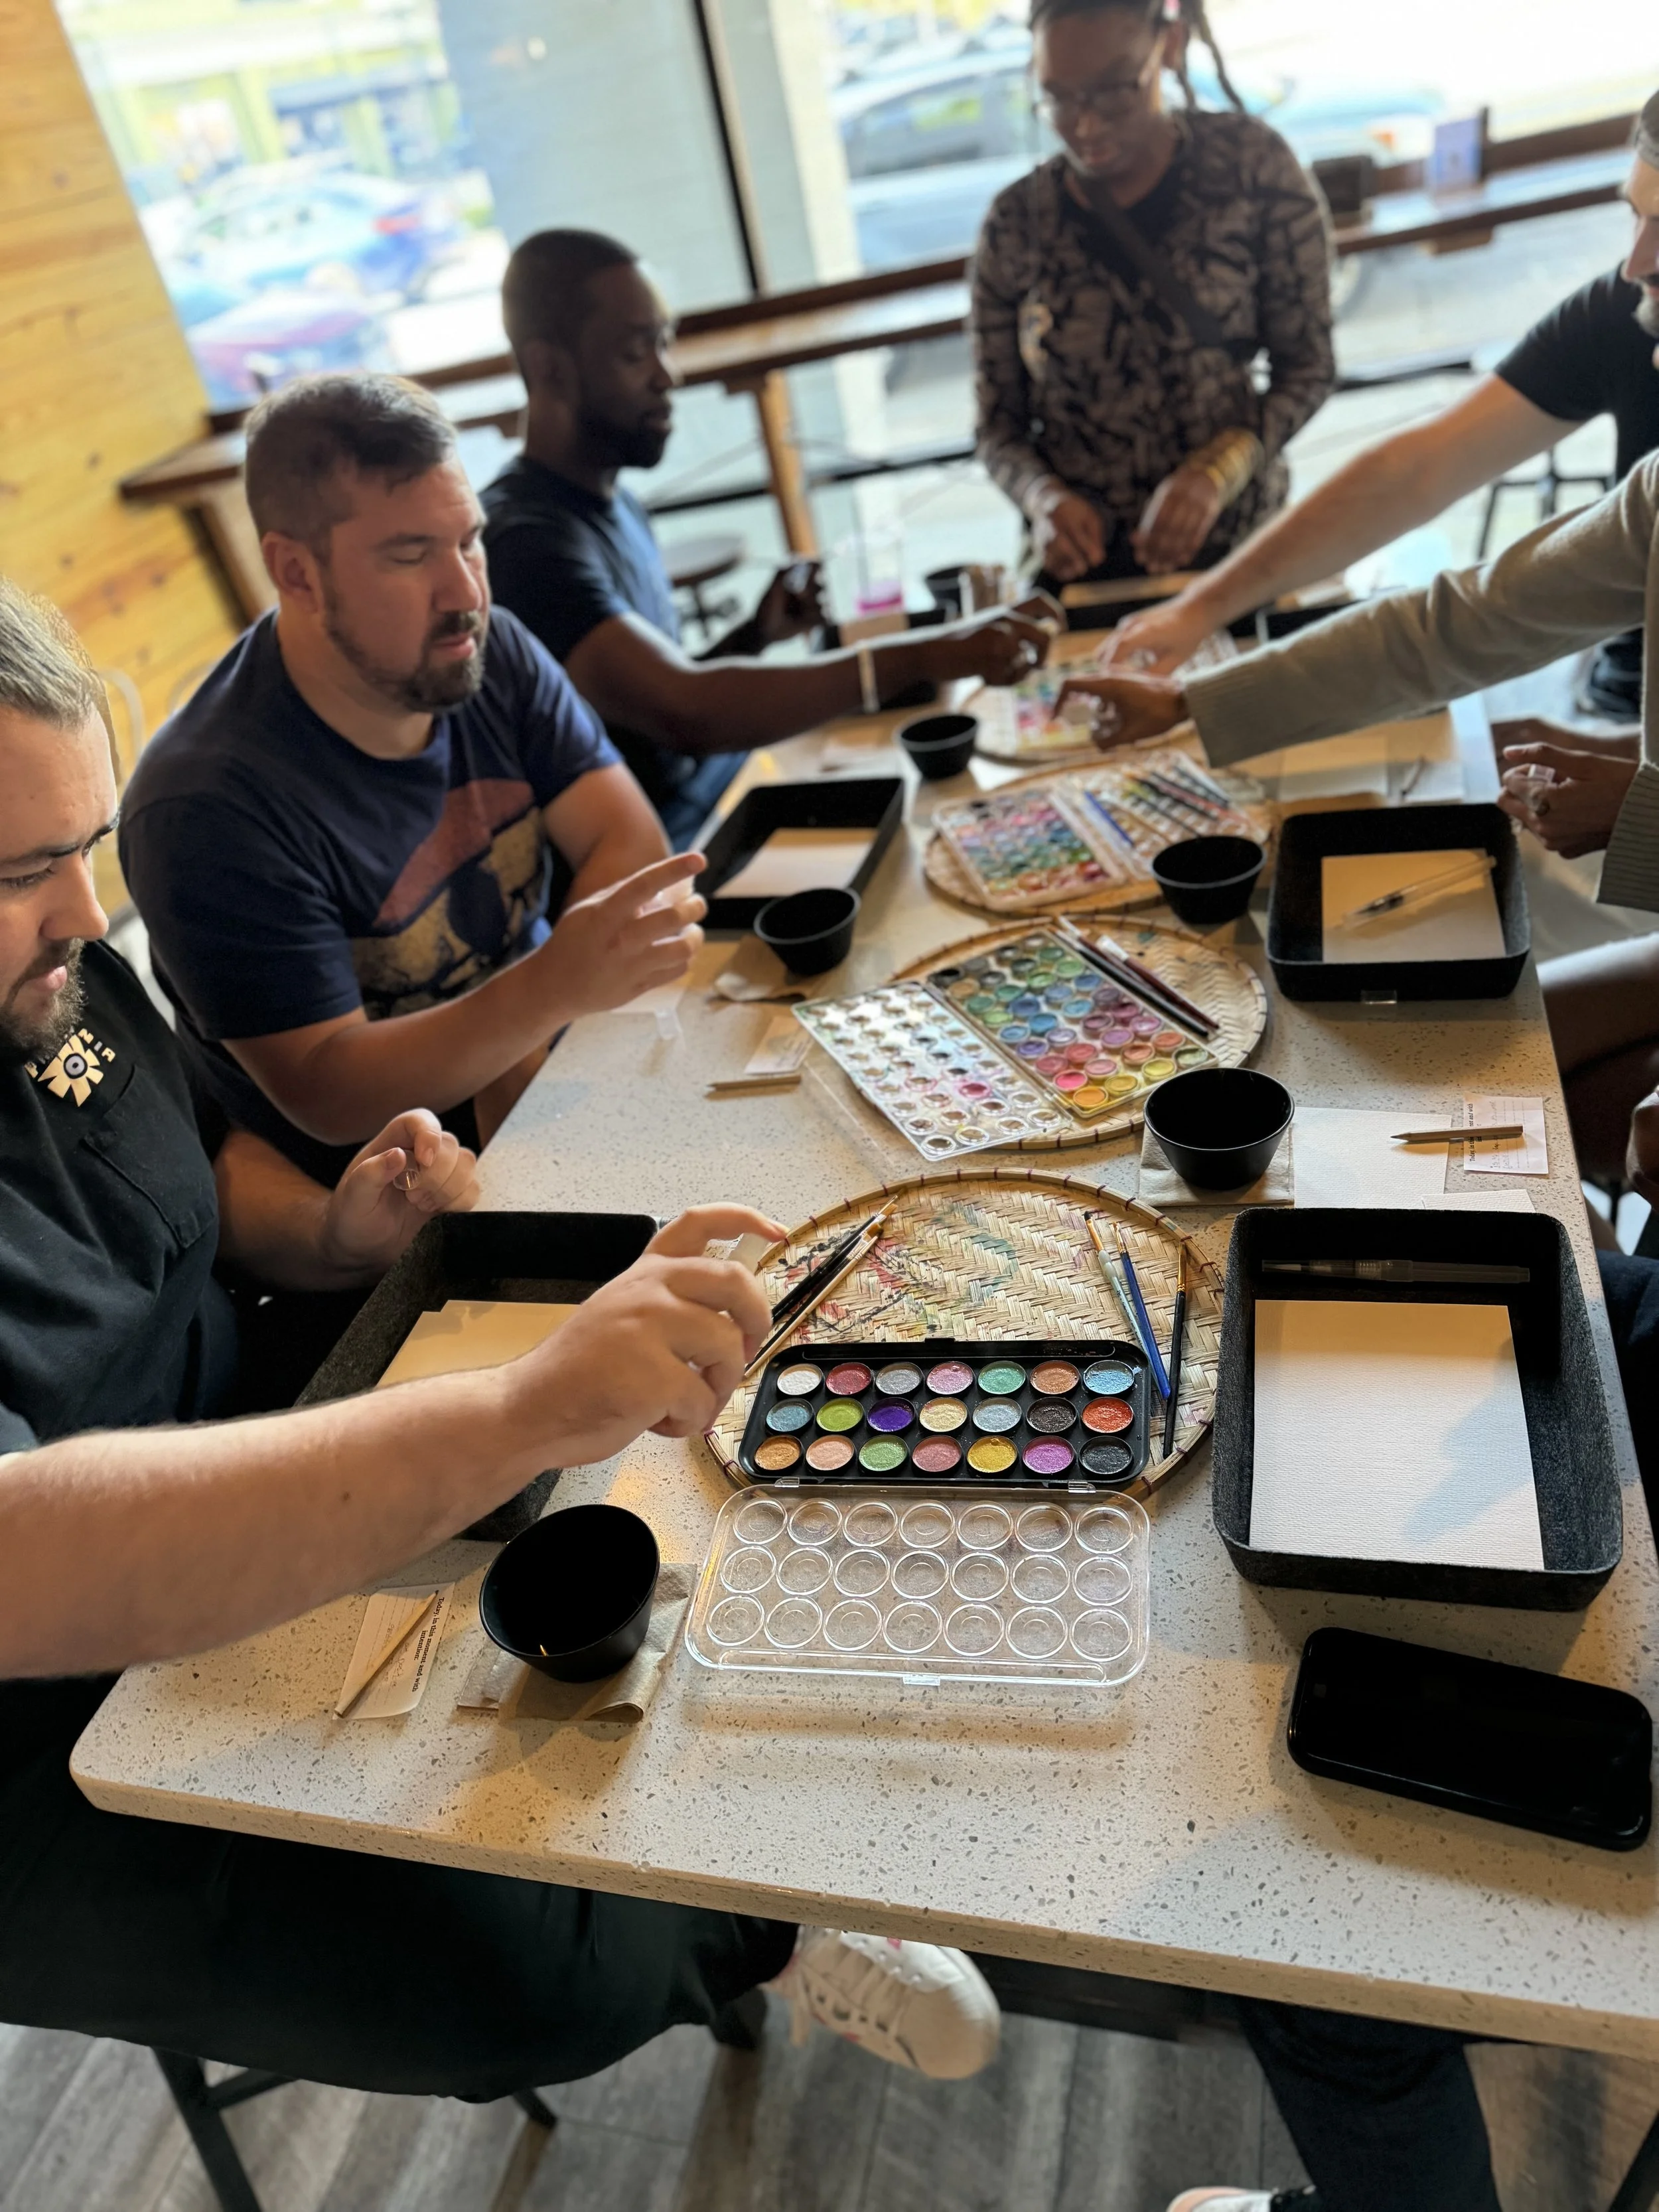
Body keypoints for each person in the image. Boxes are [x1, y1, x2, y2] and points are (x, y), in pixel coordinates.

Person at [0, 576, 1001, 2093]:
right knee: (515, 1969)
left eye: (80, 848)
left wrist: (338, 1229)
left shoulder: (48, 984)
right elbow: (37, 1566)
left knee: (621, 1517)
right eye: (18, 869)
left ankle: (715, 1829)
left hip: (225, 1406)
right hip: (37, 1748)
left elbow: (198, 1168)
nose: (84, 913)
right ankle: (762, 1933)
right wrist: (522, 1407)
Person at [119, 373, 706, 1189]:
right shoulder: (204, 809)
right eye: (410, 556)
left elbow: (628, 841)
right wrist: (536, 1000)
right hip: (386, 1222)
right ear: (296, 573)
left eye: (470, 540)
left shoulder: (487, 650)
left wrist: (522, 1032)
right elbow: (330, 1089)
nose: (465, 593)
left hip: (555, 1087)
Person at [480, 228, 1059, 845]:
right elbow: (684, 713)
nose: (667, 376)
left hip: (720, 800)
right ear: (548, 367)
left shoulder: (614, 501)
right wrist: (930, 652)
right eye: (634, 353)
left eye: (663, 345)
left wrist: (755, 636)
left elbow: (638, 715)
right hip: (667, 859)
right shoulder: (524, 544)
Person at [1103, 92, 1659, 724]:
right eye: (1632, 218)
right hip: (1621, 707)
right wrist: (1199, 626)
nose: (1634, 264)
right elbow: (1460, 587)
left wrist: (1628, 789)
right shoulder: (1628, 315)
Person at [970, 0, 1334, 597]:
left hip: (1239, 557)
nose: (1085, 125)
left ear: (1169, 45)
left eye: (1114, 90)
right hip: (1084, 581)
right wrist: (1043, 498)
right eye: (1058, 98)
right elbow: (996, 428)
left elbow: (1310, 367)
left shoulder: (1252, 169)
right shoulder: (1017, 222)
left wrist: (1220, 470)